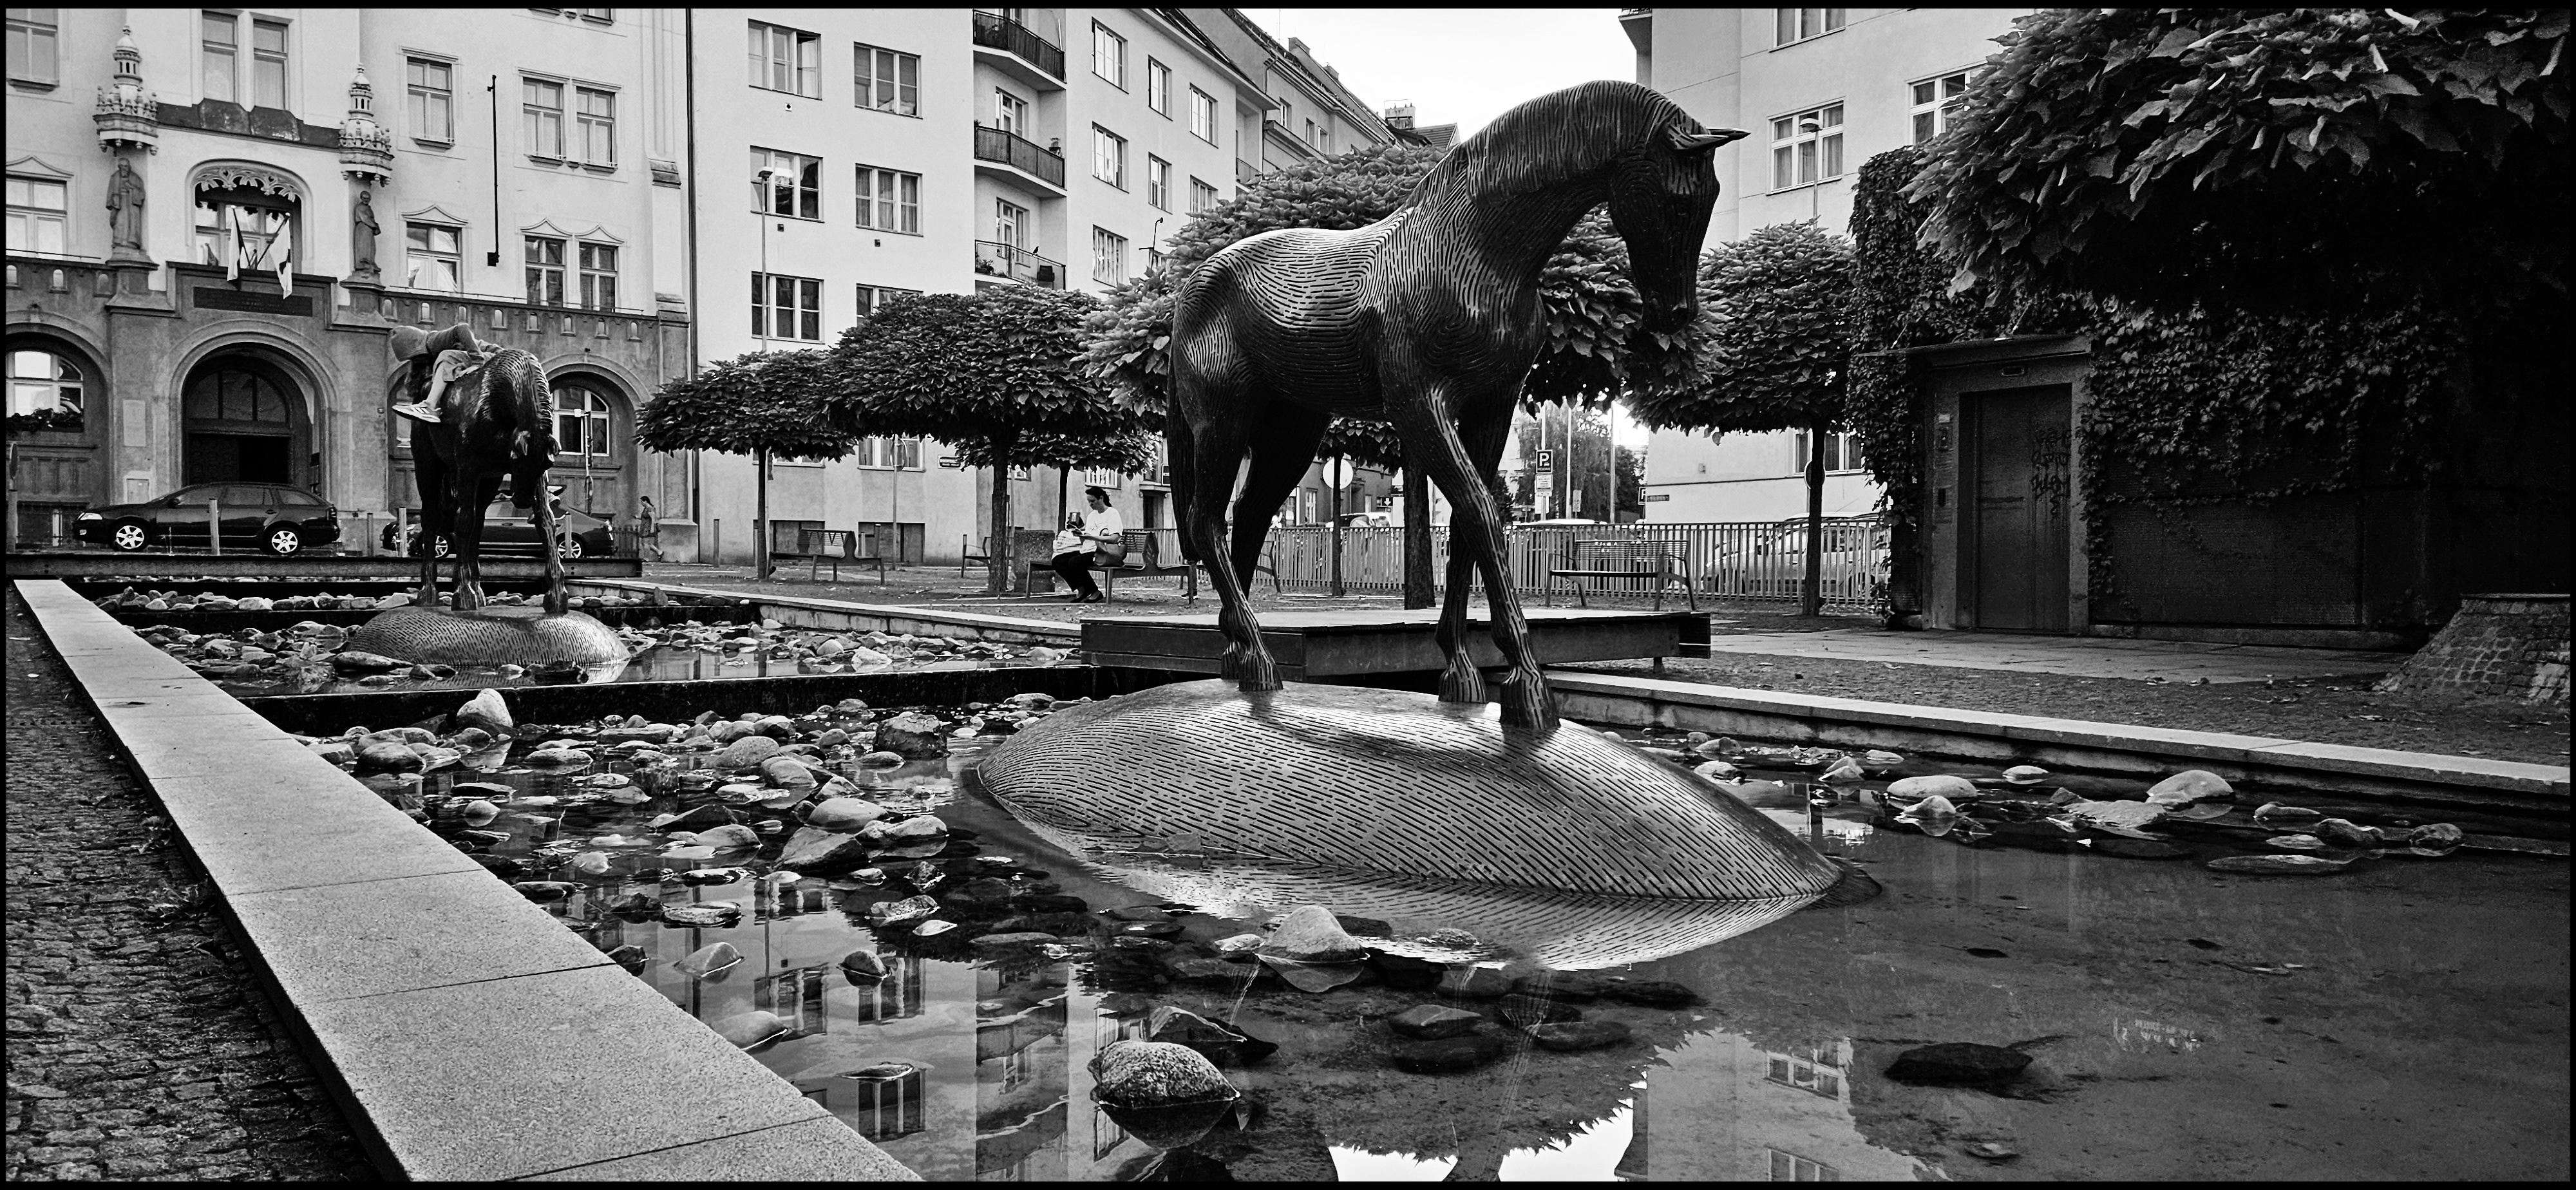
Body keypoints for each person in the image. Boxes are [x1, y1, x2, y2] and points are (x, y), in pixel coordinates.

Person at [389, 323, 491, 425]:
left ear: (418, 347)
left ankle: (430, 406)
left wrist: (477, 361)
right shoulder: (431, 357)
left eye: (414, 357)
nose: (415, 361)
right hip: (481, 359)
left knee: (447, 356)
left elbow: (462, 328)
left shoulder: (434, 341)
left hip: (493, 356)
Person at [1049, 486, 1124, 603]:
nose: (1090, 504)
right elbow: (1086, 538)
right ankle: (1081, 588)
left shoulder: (1112, 513)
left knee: (1075, 562)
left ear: (1101, 498)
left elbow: (1115, 538)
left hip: (1103, 551)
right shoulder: (1092, 516)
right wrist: (1080, 534)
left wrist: (1091, 537)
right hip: (1088, 549)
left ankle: (1095, 592)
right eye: (1089, 501)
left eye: (1093, 501)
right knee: (1058, 561)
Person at [636, 495, 661, 561]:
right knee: (647, 543)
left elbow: (653, 519)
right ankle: (659, 552)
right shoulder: (646, 509)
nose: (641, 504)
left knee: (645, 543)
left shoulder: (650, 509)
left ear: (645, 501)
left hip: (648, 528)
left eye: (642, 502)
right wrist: (638, 518)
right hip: (644, 527)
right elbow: (645, 518)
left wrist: (652, 528)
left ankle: (646, 558)